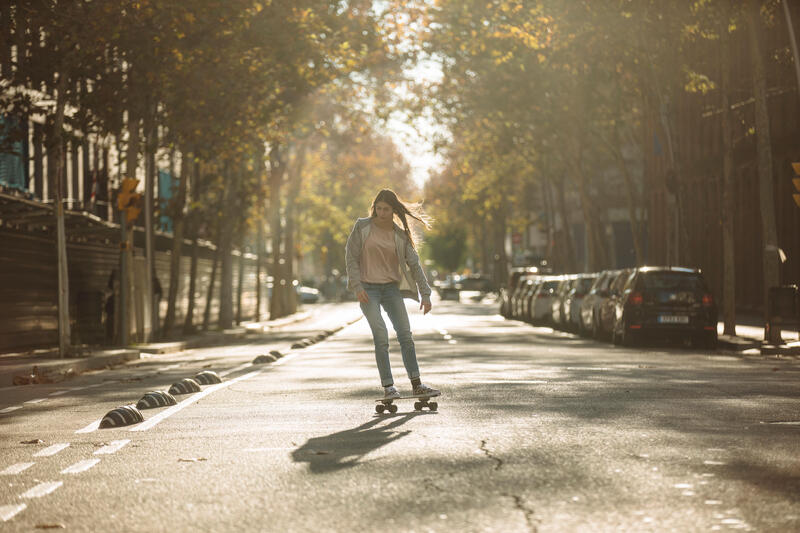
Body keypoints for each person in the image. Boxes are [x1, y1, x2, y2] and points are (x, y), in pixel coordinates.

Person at [345, 189, 440, 400]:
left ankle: (417, 384)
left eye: (386, 209)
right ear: (374, 207)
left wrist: (425, 294)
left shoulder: (399, 235)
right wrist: (357, 286)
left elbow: (414, 265)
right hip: (367, 290)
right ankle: (389, 387)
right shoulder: (362, 227)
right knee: (381, 335)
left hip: (390, 289)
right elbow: (351, 258)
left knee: (405, 335)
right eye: (378, 208)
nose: (381, 213)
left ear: (393, 210)